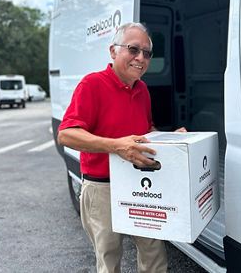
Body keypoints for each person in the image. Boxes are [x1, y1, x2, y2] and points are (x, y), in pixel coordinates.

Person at [57, 22, 185, 273]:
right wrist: (116, 146)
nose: (141, 58)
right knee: (109, 258)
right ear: (113, 51)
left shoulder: (143, 89)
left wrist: (170, 139)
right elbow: (66, 135)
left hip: (139, 184)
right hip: (102, 186)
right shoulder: (91, 84)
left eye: (147, 53)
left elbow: (146, 129)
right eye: (134, 49)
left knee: (154, 251)